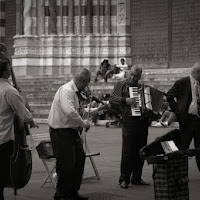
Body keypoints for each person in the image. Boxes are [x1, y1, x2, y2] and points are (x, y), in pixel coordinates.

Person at [48, 68, 105, 200]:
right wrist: (84, 124)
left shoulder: (75, 92)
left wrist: (98, 109)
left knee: (79, 160)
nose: (87, 86)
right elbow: (70, 112)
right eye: (87, 83)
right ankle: (62, 195)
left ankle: (73, 192)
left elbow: (80, 111)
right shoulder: (67, 91)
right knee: (66, 164)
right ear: (82, 80)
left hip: (71, 132)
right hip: (61, 132)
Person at [0, 58, 38, 200]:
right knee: (2, 175)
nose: (11, 71)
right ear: (5, 72)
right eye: (10, 69)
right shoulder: (9, 91)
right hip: (3, 140)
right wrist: (31, 121)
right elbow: (24, 114)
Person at [109, 64, 150, 189]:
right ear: (128, 73)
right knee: (128, 151)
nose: (133, 78)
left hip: (142, 122)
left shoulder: (143, 87)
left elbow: (149, 103)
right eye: (131, 74)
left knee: (141, 150)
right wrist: (126, 100)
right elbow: (112, 99)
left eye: (136, 76)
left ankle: (136, 177)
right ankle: (124, 179)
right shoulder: (121, 84)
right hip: (129, 121)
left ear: (139, 76)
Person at [166, 62, 200, 171]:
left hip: (198, 120)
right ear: (197, 73)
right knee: (184, 147)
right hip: (187, 120)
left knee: (199, 148)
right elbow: (169, 96)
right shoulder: (182, 82)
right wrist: (177, 110)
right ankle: (182, 172)